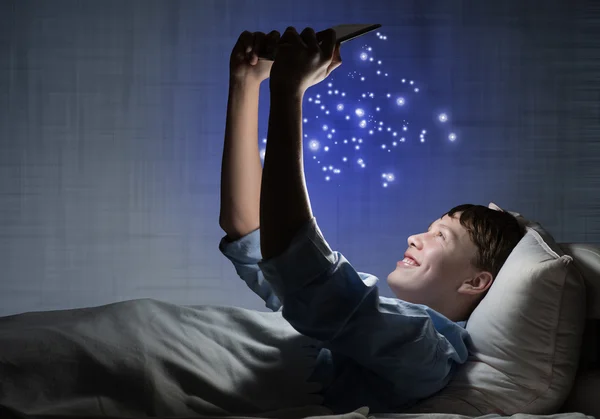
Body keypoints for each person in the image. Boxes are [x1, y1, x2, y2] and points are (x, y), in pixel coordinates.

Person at [219, 26, 525, 414]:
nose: (415, 237)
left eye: (441, 236)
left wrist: (289, 91)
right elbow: (248, 229)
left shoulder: (426, 352)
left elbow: (301, 270)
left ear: (476, 281)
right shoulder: (356, 321)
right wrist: (247, 83)